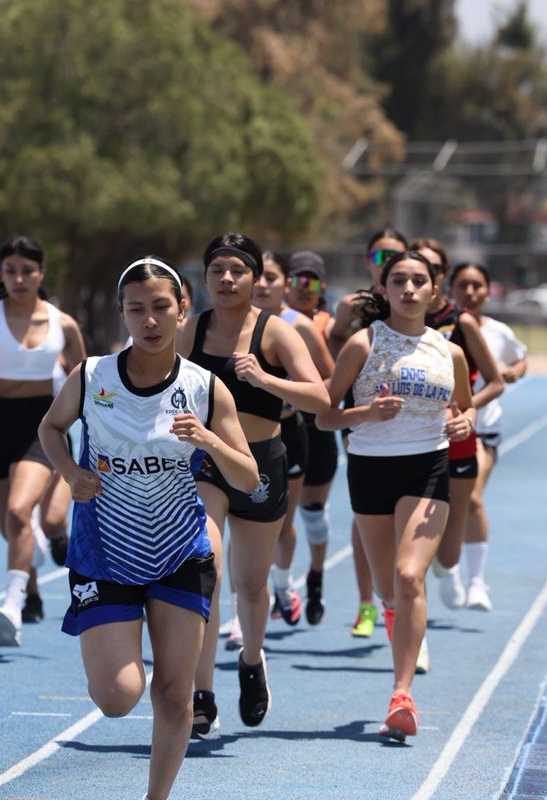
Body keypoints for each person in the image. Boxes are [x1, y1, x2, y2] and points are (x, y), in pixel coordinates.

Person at [39, 257, 258, 800]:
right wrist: (69, 472)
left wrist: (209, 441)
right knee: (117, 697)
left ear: (183, 310)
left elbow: (248, 477)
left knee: (174, 694)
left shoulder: (206, 388)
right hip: (104, 553)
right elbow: (51, 428)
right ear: (123, 314)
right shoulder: (92, 377)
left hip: (179, 552)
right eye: (137, 309)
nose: (150, 320)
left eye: (161, 307)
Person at [317, 250, 476, 741]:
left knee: (410, 576)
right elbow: (325, 416)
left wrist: (464, 423)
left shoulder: (449, 351)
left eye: (418, 281)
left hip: (427, 467)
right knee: (390, 589)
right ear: (383, 290)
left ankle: (402, 693)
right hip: (370, 470)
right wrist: (365, 413)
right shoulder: (362, 344)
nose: (409, 289)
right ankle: (393, 619)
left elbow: (465, 409)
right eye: (399, 281)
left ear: (434, 291)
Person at [178, 232, 329, 737]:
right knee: (207, 568)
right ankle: (202, 693)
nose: (226, 279)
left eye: (238, 271)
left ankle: (251, 659)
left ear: (255, 278)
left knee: (250, 584)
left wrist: (266, 380)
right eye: (217, 270)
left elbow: (319, 398)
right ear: (205, 278)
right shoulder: (192, 331)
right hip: (206, 463)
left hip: (262, 464)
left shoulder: (276, 332)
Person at [0, 235, 86, 647]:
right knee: (11, 526)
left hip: (40, 427)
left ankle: (12, 605)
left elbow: (89, 383)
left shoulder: (63, 324)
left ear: (41, 273)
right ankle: (32, 571)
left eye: (27, 271)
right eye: (10, 271)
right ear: (2, 274)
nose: (19, 279)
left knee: (18, 510)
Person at [412, 238, 504, 619]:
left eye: (432, 270)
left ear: (441, 278)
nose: (421, 279)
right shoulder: (390, 320)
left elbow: (496, 382)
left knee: (449, 554)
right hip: (409, 440)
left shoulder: (462, 322)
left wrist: (466, 411)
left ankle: (446, 565)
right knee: (407, 543)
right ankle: (408, 618)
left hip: (456, 440)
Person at [327, 230, 408, 640]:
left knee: (405, 522)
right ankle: (367, 604)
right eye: (379, 255)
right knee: (367, 515)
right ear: (368, 261)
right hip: (361, 411)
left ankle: (403, 602)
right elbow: (333, 342)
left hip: (410, 415)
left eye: (395, 254)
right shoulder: (352, 305)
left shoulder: (413, 298)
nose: (386, 260)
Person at [251, 251, 334, 632]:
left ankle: (285, 585)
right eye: (258, 276)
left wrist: (289, 394)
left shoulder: (299, 326)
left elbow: (330, 381)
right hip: (242, 435)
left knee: (283, 523)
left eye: (271, 277)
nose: (262, 284)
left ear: (286, 282)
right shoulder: (231, 324)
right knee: (242, 522)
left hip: (290, 432)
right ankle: (244, 612)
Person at [450, 262, 528, 611]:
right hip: (443, 429)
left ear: (487, 291)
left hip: (483, 429)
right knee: (441, 503)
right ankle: (447, 567)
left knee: (472, 498)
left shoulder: (498, 332)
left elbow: (521, 358)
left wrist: (513, 372)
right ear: (449, 288)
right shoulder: (440, 330)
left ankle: (477, 582)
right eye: (463, 285)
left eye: (477, 285)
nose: (470, 292)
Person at [283, 250, 339, 627]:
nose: (304, 287)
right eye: (298, 279)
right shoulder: (267, 321)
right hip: (281, 428)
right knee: (275, 516)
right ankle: (281, 584)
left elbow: (337, 380)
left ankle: (315, 578)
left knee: (313, 513)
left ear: (322, 287)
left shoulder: (328, 326)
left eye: (312, 281)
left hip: (317, 426)